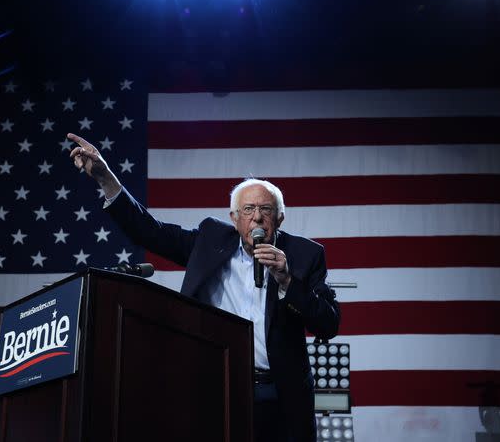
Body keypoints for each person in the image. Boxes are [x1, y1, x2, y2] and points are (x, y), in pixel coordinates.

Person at [67, 133, 340, 442]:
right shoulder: (210, 241)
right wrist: (105, 177)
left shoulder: (306, 254)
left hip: (282, 394)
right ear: (234, 218)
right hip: (218, 384)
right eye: (248, 209)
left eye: (266, 209)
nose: (258, 217)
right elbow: (149, 231)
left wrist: (287, 281)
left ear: (280, 217)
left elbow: (329, 322)